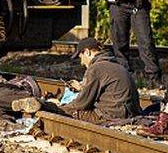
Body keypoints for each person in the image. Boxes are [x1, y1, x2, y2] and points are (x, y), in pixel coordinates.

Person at [13, 37, 141, 123]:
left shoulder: (95, 68)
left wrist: (62, 107)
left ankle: (40, 103)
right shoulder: (115, 63)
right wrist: (81, 88)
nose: (81, 62)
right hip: (129, 112)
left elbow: (82, 104)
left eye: (81, 57)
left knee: (70, 112)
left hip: (111, 116)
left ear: (88, 52)